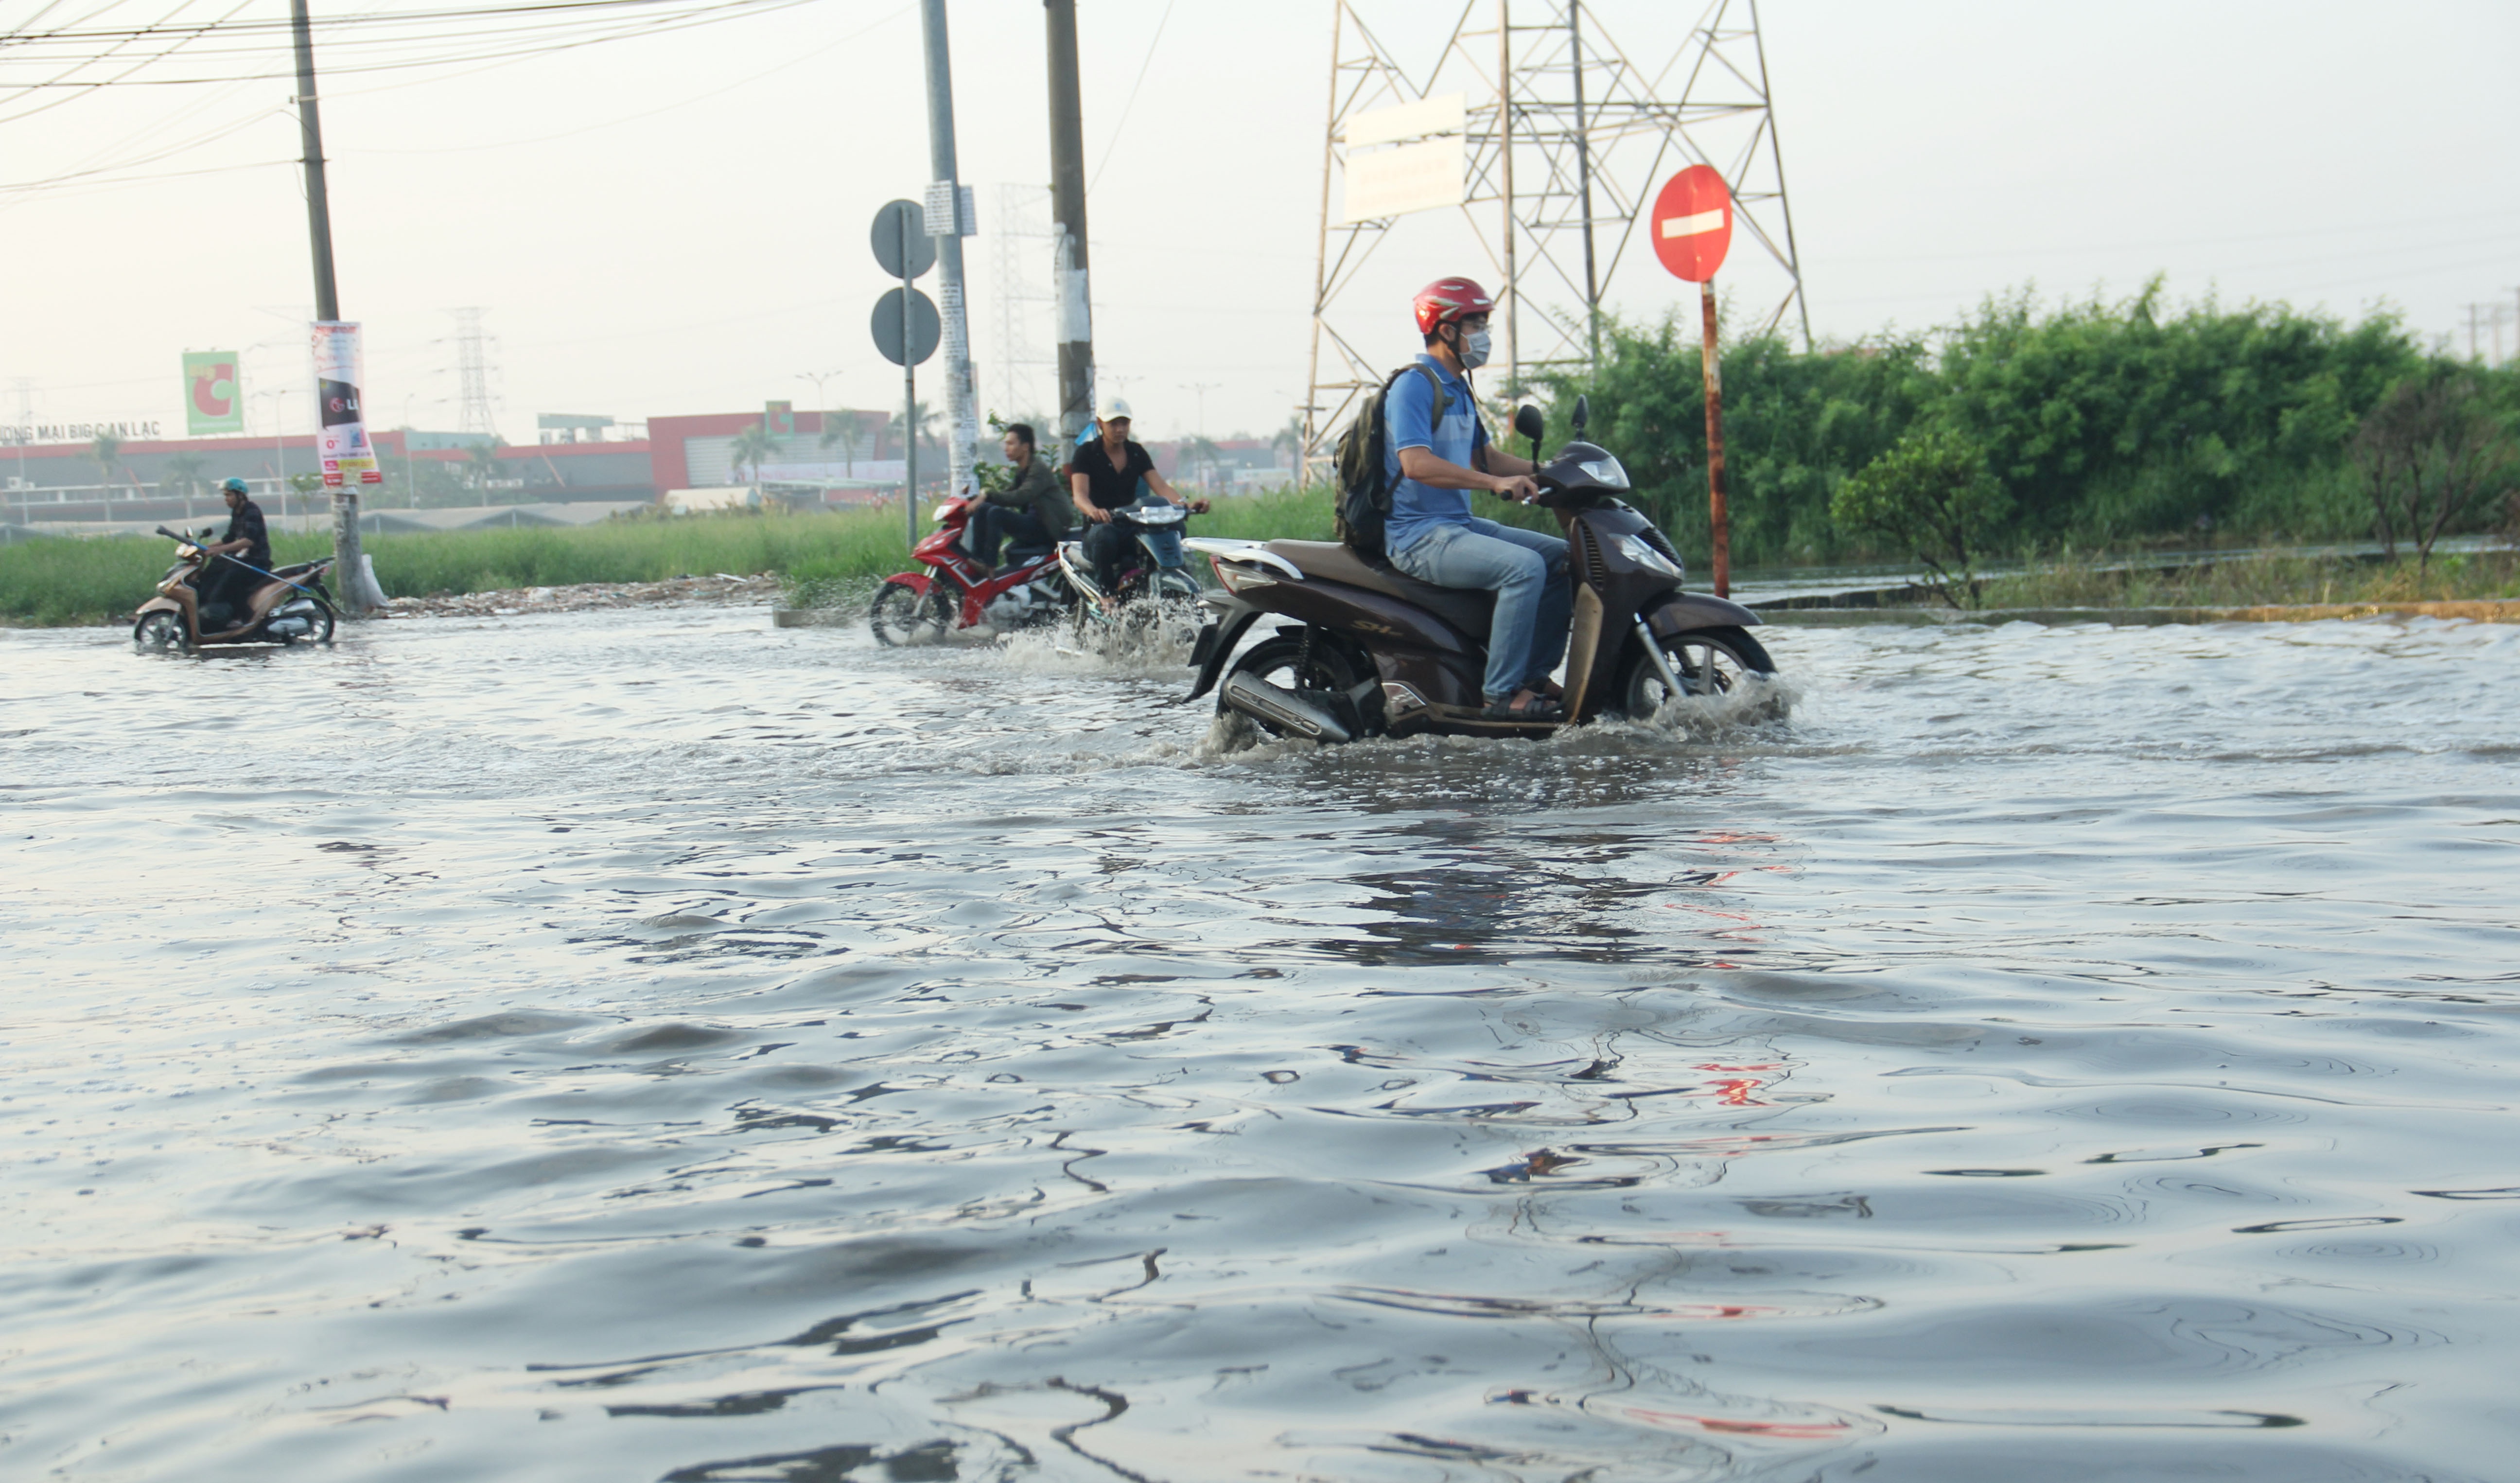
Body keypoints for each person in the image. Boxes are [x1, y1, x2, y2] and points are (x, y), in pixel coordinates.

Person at [1382, 276, 1569, 722]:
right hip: (1416, 534)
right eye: (1476, 324)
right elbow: (1416, 464)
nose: (1484, 336)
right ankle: (1500, 695)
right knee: (1523, 569)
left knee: (1562, 557)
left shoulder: (1459, 387)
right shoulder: (1414, 385)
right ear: (1446, 329)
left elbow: (1484, 457)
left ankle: (1532, 676)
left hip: (1455, 526)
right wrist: (1493, 485)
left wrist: (1550, 473)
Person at [1068, 396, 1206, 600]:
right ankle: (1107, 596)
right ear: (1100, 424)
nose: (1120, 429)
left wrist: (1185, 505)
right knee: (1105, 535)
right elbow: (1079, 496)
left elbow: (1160, 486)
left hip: (1132, 525)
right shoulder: (1086, 453)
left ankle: (1182, 590)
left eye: (1124, 423)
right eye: (1113, 424)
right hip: (1100, 528)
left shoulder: (1136, 453)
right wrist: (1094, 511)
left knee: (1174, 529)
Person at [965, 424, 1067, 573]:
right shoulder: (1024, 470)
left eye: (1011, 444)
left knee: (996, 514)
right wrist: (978, 500)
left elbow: (1020, 496)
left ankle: (989, 566)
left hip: (1047, 529)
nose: (1006, 448)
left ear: (1026, 447)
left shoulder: (1038, 470)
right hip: (1034, 524)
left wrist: (988, 495)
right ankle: (978, 560)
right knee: (984, 509)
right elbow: (1008, 494)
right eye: (1006, 444)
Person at [194, 476, 272, 630]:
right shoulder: (237, 513)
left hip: (257, 561)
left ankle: (238, 618)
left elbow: (248, 541)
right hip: (243, 559)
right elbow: (229, 538)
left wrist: (219, 550)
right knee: (211, 572)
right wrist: (203, 548)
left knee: (230, 578)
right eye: (225, 495)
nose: (226, 499)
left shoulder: (252, 511)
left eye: (229, 495)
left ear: (240, 495)